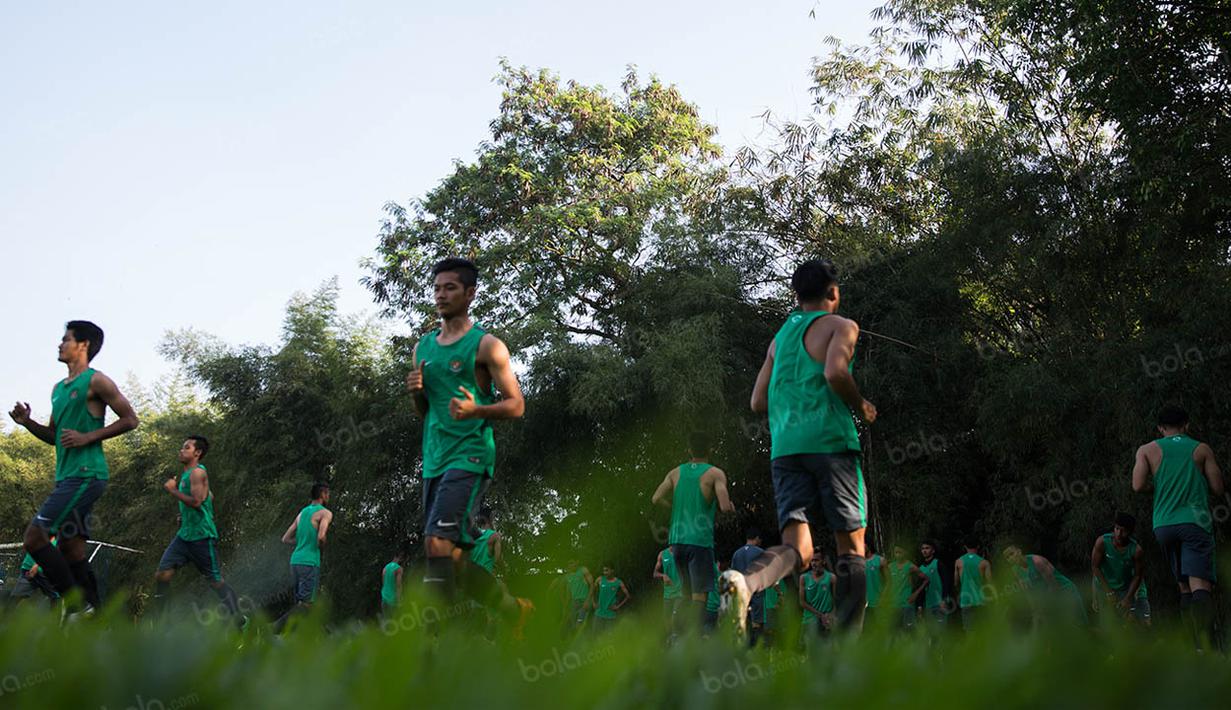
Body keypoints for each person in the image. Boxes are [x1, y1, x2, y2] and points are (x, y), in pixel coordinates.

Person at [722, 259, 878, 635]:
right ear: (833, 292)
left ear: (797, 296)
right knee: (852, 549)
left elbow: (758, 402)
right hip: (831, 443)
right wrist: (862, 405)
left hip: (786, 450)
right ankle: (847, 651)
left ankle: (746, 584)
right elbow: (835, 373)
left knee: (799, 550)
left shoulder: (779, 339)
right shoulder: (843, 326)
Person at [406, 258, 527, 628]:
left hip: (470, 455)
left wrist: (477, 409)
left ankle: (439, 640)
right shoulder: (423, 348)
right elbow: (424, 412)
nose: (441, 295)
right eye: (437, 288)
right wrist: (416, 393)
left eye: (450, 288)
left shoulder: (487, 346)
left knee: (435, 544)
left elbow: (516, 405)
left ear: (470, 293)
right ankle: (513, 611)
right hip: (434, 458)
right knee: (453, 559)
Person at [10, 321, 140, 614]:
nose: (60, 344)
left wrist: (88, 436)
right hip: (67, 478)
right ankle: (96, 619)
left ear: (83, 345)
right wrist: (27, 423)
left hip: (86, 475)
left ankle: (77, 608)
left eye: (65, 339)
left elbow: (131, 419)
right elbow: (54, 438)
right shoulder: (58, 390)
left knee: (34, 538)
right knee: (72, 549)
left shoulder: (97, 381)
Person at [1132, 405, 1223, 651]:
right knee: (1200, 586)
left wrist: (1159, 489)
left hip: (1163, 525)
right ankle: (1208, 647)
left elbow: (1138, 485)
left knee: (1183, 586)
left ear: (1160, 428)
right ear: (1187, 425)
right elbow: (1217, 487)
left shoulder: (1147, 450)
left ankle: (1192, 646)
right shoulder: (1201, 448)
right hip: (1195, 523)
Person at [152, 436, 243, 626]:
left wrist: (172, 490)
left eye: (186, 447)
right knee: (162, 574)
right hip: (184, 536)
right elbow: (209, 496)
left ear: (197, 453)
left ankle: (239, 620)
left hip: (202, 537)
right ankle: (161, 625)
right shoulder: (187, 475)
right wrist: (185, 515)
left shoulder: (197, 473)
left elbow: (196, 501)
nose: (181, 450)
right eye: (182, 447)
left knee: (216, 582)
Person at [651, 431, 734, 635]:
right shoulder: (715, 473)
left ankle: (677, 635)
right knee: (700, 598)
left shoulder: (675, 473)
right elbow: (724, 507)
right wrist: (731, 506)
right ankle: (691, 641)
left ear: (689, 450)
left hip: (677, 542)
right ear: (711, 449)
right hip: (699, 542)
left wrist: (674, 506)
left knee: (686, 595)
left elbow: (656, 498)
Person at [274, 482, 333, 633]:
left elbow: (285, 538)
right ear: (322, 494)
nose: (329, 496)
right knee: (305, 604)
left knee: (306, 603)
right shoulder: (325, 513)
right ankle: (274, 628)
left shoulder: (302, 513)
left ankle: (318, 634)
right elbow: (321, 536)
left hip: (295, 561)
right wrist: (322, 545)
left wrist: (301, 542)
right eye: (328, 493)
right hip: (309, 562)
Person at [1003, 545, 1088, 629]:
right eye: (1007, 557)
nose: (1010, 558)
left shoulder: (1037, 561)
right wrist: (1035, 611)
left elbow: (1054, 585)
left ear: (1019, 551)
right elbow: (1028, 592)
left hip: (1065, 590)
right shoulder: (1016, 571)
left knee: (1082, 626)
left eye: (1011, 554)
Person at [1090, 513, 1149, 626]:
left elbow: (1138, 576)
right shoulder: (1102, 542)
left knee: (1129, 623)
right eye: (1117, 528)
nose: (1119, 534)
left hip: (1124, 588)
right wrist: (1108, 591)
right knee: (1107, 625)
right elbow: (1095, 567)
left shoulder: (1136, 550)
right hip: (1104, 585)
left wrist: (1128, 597)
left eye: (1123, 530)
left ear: (1130, 532)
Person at [730, 529, 767, 644]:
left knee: (744, 621)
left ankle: (744, 648)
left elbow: (733, 575)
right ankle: (757, 648)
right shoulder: (761, 552)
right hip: (756, 591)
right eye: (760, 539)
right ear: (756, 538)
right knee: (757, 622)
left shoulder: (736, 553)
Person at [798, 551, 835, 652]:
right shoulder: (804, 578)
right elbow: (802, 602)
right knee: (809, 653)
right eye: (812, 561)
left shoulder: (831, 578)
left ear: (823, 561)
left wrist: (830, 615)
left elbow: (836, 600)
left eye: (816, 560)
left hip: (826, 621)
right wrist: (820, 615)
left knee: (827, 652)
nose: (814, 563)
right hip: (809, 619)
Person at [9, 536, 60, 608]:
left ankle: (55, 618)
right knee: (15, 598)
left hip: (44, 573)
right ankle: (5, 617)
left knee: (56, 597)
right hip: (28, 568)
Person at [888, 544, 928, 630]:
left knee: (909, 631)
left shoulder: (910, 566)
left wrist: (915, 594)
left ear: (905, 553)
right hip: (893, 604)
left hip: (907, 603)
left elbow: (926, 579)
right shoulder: (890, 567)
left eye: (900, 552)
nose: (898, 555)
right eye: (896, 552)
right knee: (894, 631)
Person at [955, 541, 991, 631]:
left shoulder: (958, 562)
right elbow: (989, 583)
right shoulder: (985, 563)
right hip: (981, 600)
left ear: (965, 546)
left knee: (969, 631)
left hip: (966, 600)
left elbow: (956, 582)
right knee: (983, 631)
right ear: (978, 546)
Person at [653, 546, 684, 637]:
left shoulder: (682, 553)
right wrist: (663, 576)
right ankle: (670, 637)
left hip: (680, 591)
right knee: (667, 617)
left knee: (675, 614)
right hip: (667, 593)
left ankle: (677, 636)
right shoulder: (662, 554)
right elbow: (655, 573)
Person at [592, 564, 630, 632]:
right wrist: (593, 603)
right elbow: (592, 590)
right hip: (599, 613)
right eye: (604, 571)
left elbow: (627, 596)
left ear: (612, 570)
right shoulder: (600, 579)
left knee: (608, 638)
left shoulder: (618, 582)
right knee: (595, 636)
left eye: (607, 570)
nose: (605, 573)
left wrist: (618, 606)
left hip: (611, 615)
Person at [918, 540, 946, 626]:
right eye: (923, 548)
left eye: (927, 548)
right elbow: (920, 588)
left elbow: (946, 582)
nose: (924, 550)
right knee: (931, 632)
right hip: (928, 605)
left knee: (941, 632)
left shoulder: (938, 563)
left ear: (933, 550)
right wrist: (920, 605)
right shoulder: (921, 568)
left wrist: (944, 599)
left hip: (939, 604)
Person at [864, 548, 887, 627]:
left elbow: (889, 581)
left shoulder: (880, 560)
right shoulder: (859, 562)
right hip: (865, 605)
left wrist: (883, 596)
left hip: (879, 602)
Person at [381, 551, 406, 620]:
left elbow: (384, 584)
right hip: (393, 600)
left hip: (384, 598)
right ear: (401, 559)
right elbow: (398, 585)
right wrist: (399, 599)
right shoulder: (398, 569)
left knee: (387, 622)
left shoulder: (385, 568)